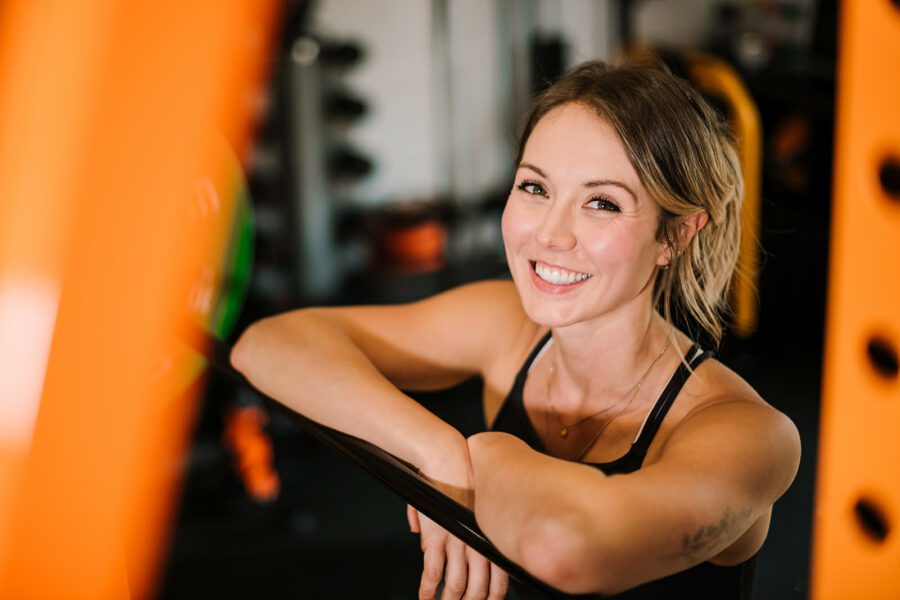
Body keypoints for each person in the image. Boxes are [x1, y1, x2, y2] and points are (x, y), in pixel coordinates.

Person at [230, 59, 801, 599]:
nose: (550, 234)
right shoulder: (506, 326)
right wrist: (438, 452)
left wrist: (490, 450)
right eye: (535, 188)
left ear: (675, 237)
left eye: (601, 203)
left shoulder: (747, 434)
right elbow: (267, 346)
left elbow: (569, 547)